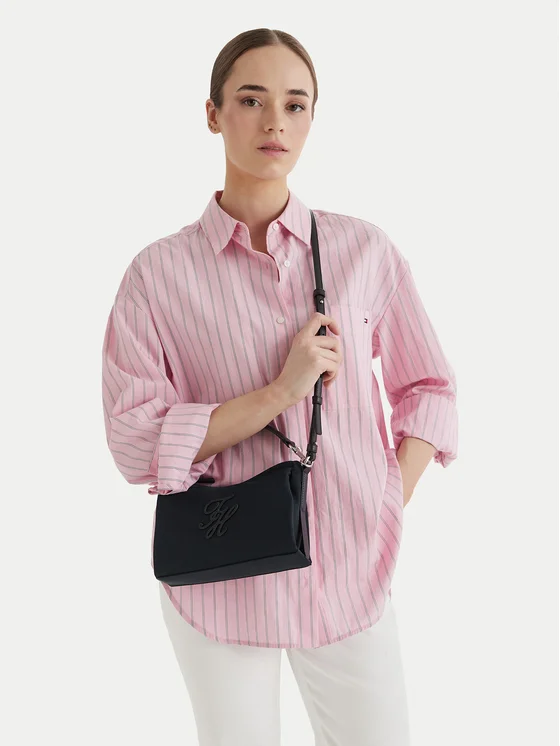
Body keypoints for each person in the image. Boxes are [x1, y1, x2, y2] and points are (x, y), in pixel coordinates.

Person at [101, 27, 458, 746]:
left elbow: (430, 389)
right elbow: (135, 440)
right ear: (212, 114)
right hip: (218, 579)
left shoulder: (363, 250)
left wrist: (385, 497)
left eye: (295, 105)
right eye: (251, 100)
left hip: (349, 570)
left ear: (312, 118)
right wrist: (279, 392)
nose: (275, 123)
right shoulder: (156, 275)